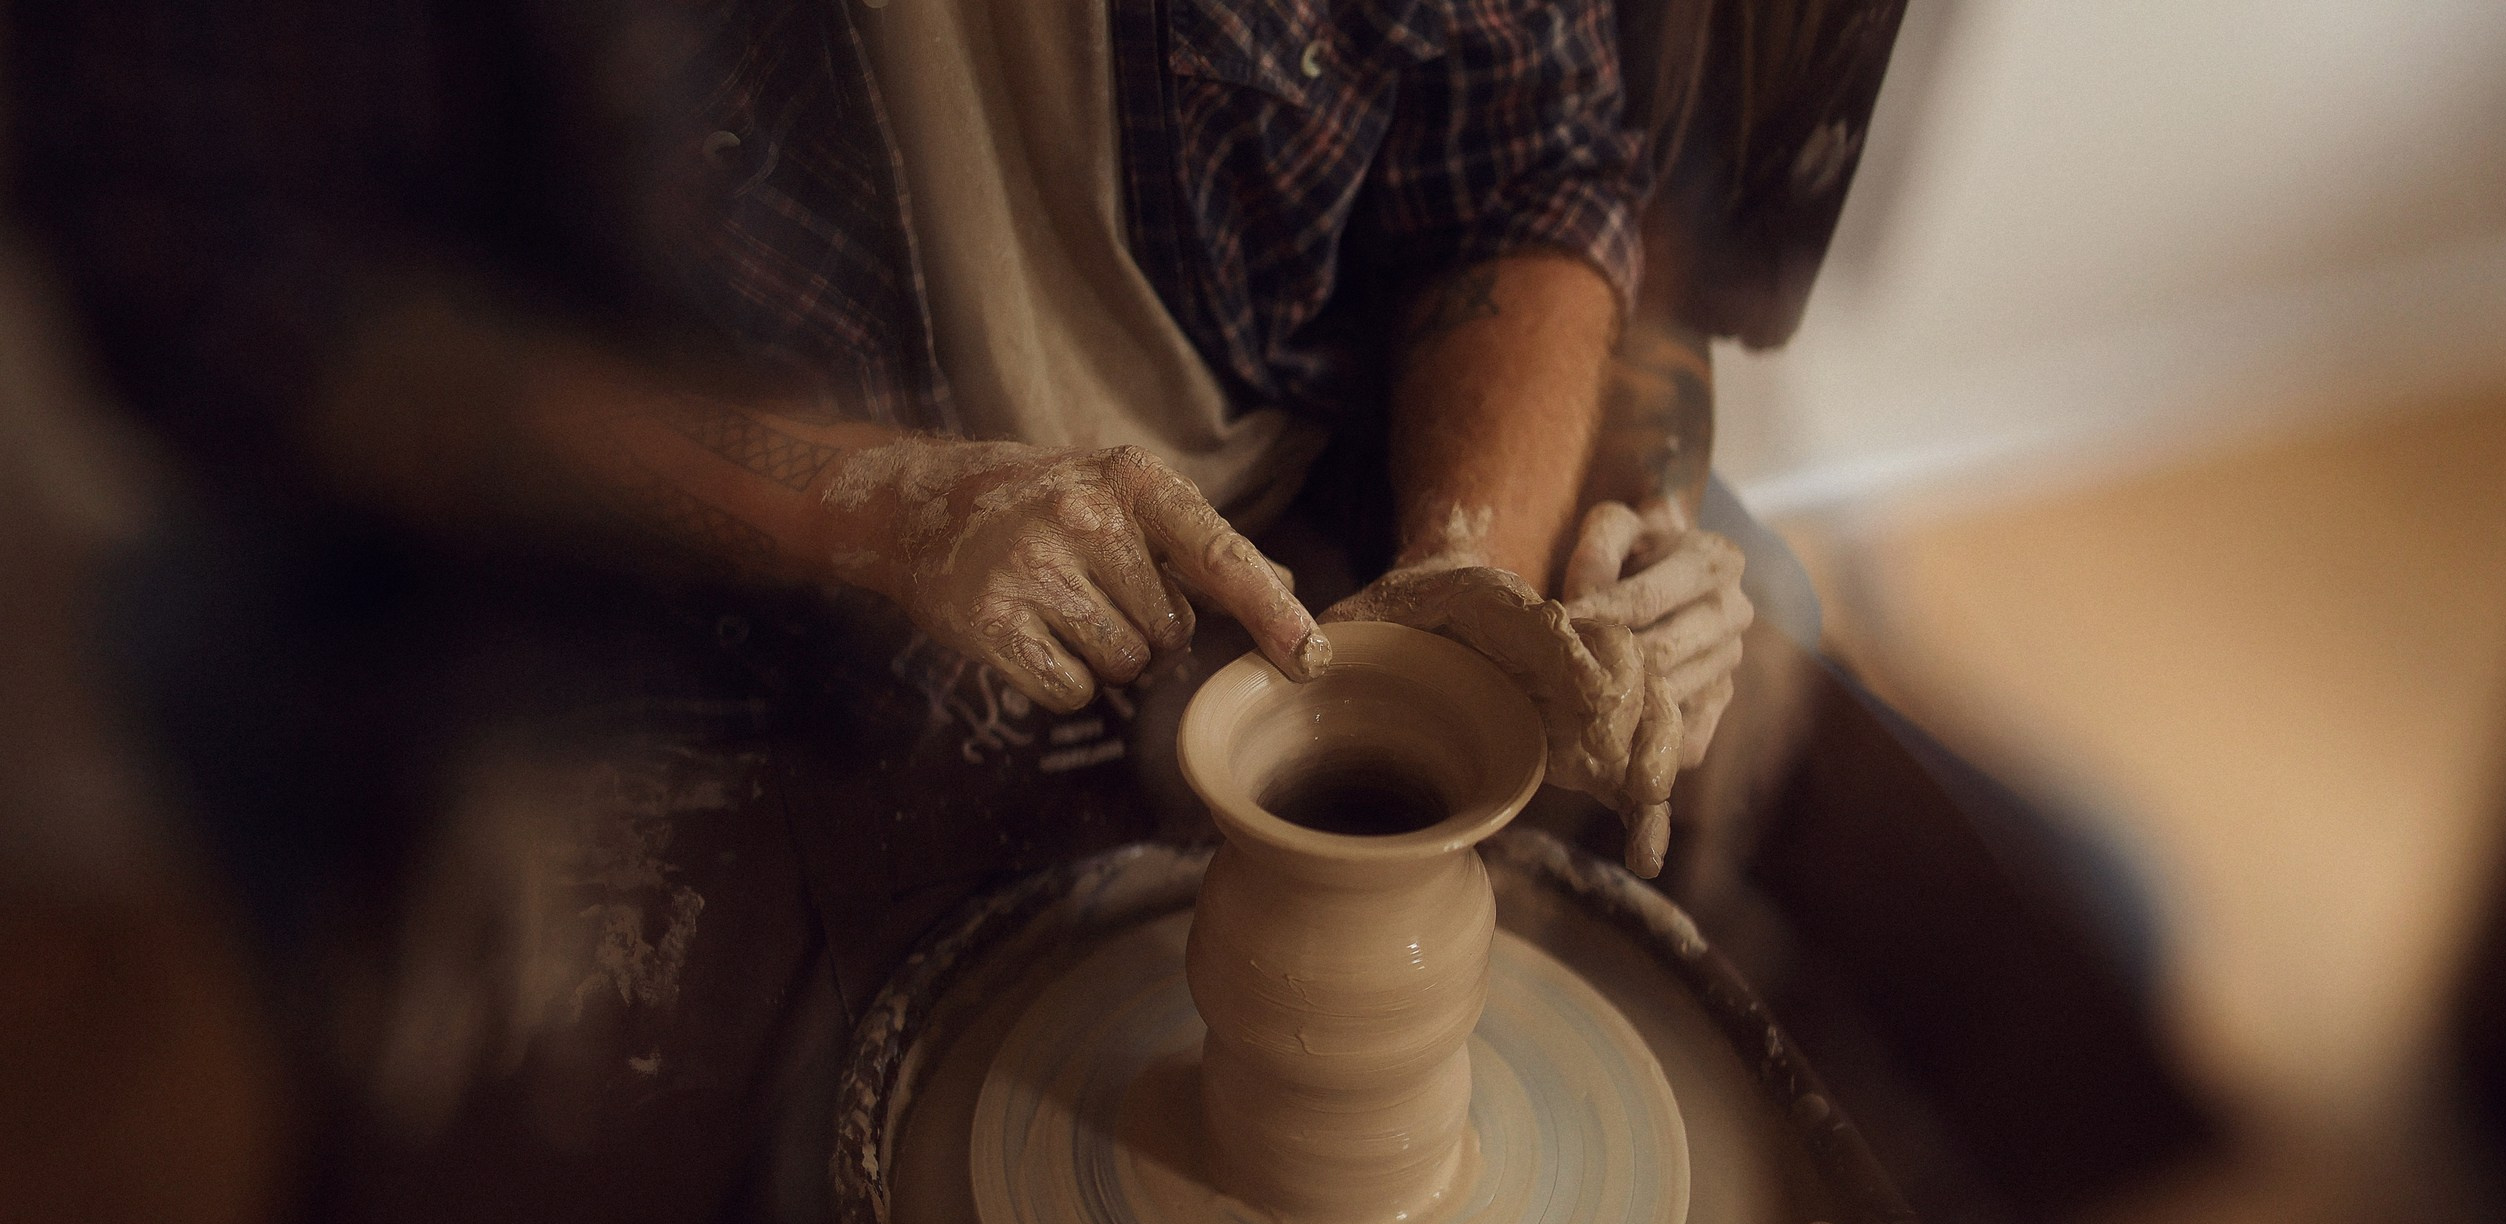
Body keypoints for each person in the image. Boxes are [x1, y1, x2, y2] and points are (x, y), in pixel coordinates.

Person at [14, 0, 1751, 878]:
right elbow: (236, 288)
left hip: (1315, 521)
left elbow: (1522, 161)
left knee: (1787, 791)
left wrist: (1471, 573)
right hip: (712, 608)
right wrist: (860, 505)